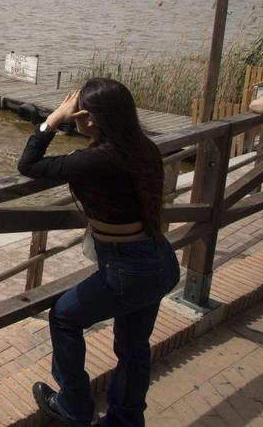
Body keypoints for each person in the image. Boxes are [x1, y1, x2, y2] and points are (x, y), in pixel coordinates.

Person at [18, 78, 180, 427]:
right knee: (134, 346)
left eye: (77, 114)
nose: (74, 118)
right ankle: (126, 419)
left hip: (127, 271)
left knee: (63, 316)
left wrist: (53, 120)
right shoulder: (145, 148)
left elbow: (28, 165)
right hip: (160, 261)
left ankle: (74, 406)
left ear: (91, 119)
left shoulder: (93, 161)